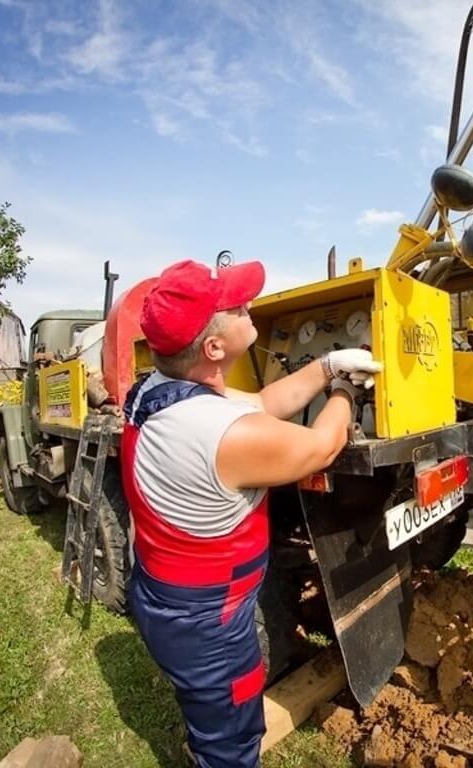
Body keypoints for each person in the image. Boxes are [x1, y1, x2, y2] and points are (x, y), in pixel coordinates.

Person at [120, 259, 382, 768]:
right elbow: (323, 445)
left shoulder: (157, 391)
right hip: (208, 619)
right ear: (215, 348)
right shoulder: (222, 434)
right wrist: (346, 392)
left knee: (210, 712)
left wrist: (327, 365)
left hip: (166, 592)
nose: (250, 307)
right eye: (238, 307)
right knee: (232, 737)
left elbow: (262, 401)